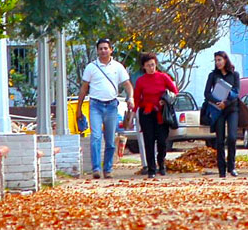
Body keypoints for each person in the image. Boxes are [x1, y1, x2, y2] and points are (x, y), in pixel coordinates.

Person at [76, 38, 134, 179]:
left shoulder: (118, 67)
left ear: (111, 50)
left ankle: (107, 169)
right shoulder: (91, 67)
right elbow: (84, 88)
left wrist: (130, 97)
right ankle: (96, 168)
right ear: (97, 51)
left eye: (105, 48)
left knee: (110, 139)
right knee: (95, 136)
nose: (103, 51)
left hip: (111, 106)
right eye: (100, 48)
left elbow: (127, 84)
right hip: (95, 104)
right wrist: (79, 108)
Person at [133, 53, 179, 179]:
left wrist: (165, 100)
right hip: (147, 112)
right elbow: (136, 98)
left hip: (161, 113)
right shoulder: (141, 81)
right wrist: (133, 112)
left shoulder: (163, 77)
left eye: (153, 65)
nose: (151, 68)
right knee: (148, 140)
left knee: (162, 141)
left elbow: (174, 92)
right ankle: (151, 169)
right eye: (148, 65)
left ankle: (161, 163)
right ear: (144, 67)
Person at [204, 50, 240, 178]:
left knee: (232, 137)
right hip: (218, 110)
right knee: (219, 140)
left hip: (231, 108)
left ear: (225, 60)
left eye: (220, 60)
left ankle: (232, 166)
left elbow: (237, 92)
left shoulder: (234, 74)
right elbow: (207, 93)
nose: (218, 62)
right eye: (216, 60)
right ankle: (221, 169)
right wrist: (217, 102)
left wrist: (227, 102)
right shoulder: (213, 75)